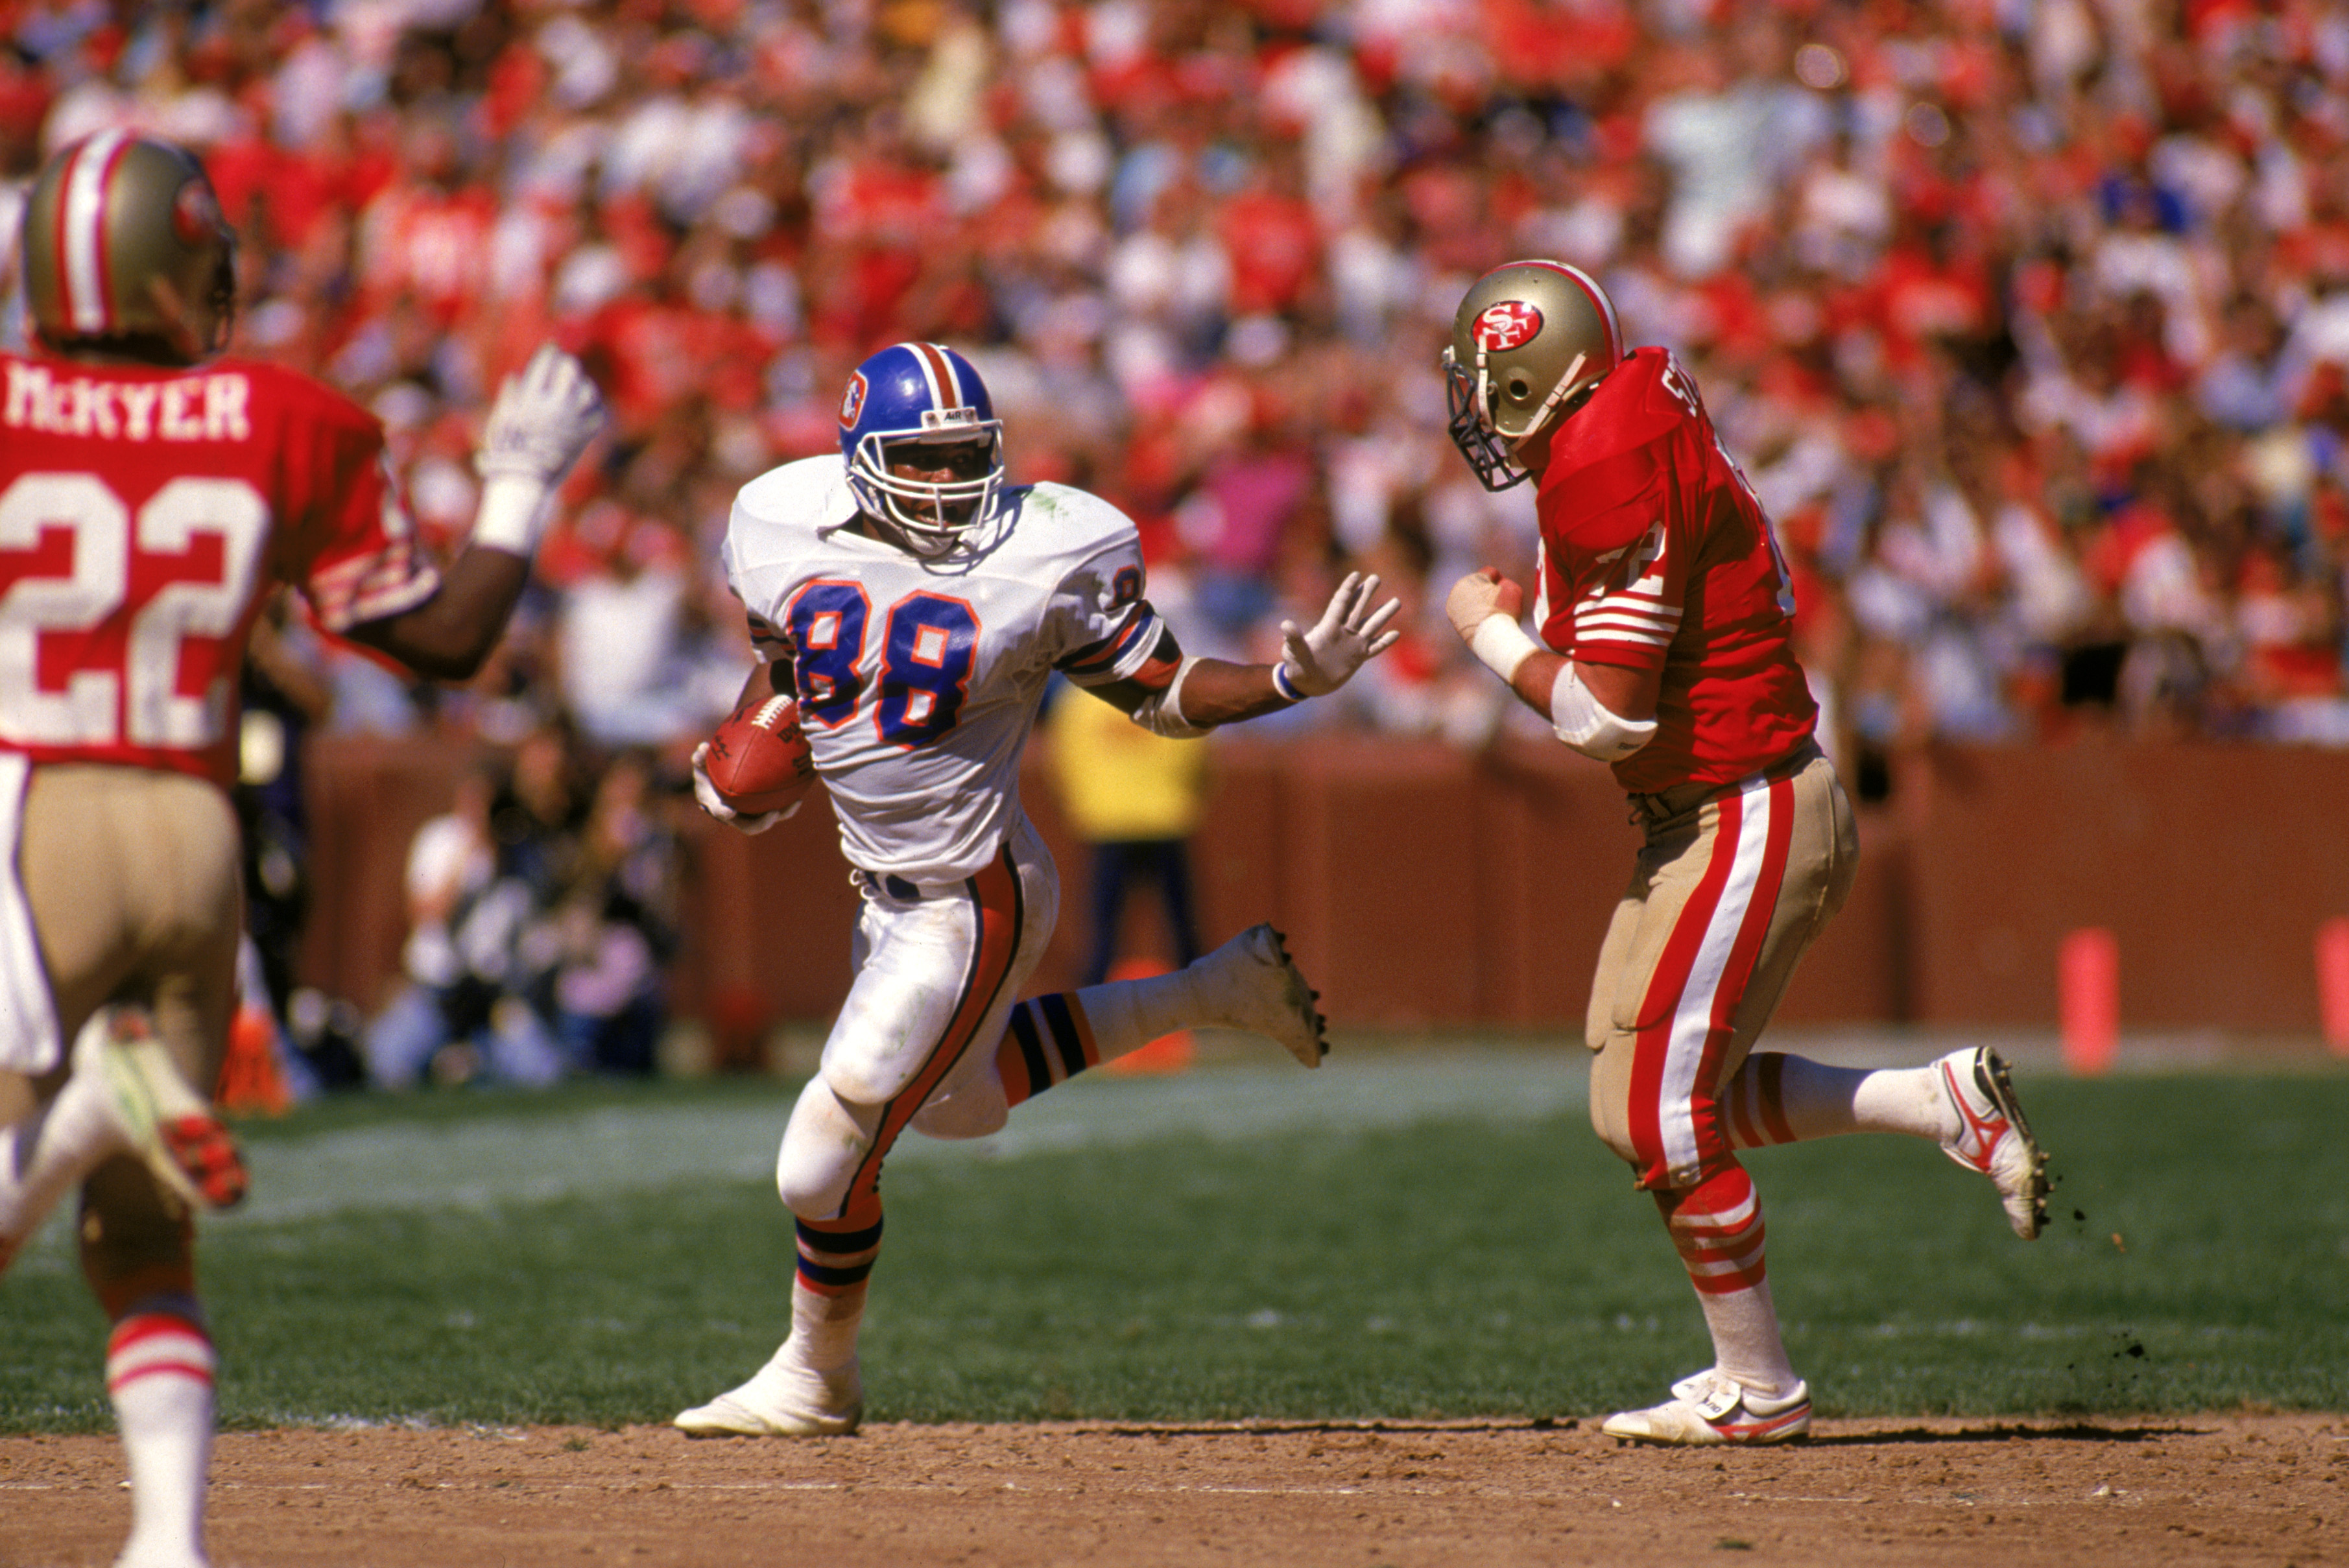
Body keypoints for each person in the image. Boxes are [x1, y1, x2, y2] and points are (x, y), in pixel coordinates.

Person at [0, 132, 604, 1568]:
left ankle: (88, 1111)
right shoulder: (281, 416)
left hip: (32, 812)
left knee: (32, 1165)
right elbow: (448, 639)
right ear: (171, 268)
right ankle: (167, 1542)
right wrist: (518, 485)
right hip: (195, 833)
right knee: (144, 1246)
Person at [676, 340, 1400, 1438]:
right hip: (885, 894)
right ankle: (1211, 990)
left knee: (823, 1150)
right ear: (861, 457)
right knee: (960, 1105)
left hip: (973, 897)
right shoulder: (779, 520)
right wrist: (757, 748)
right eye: (921, 460)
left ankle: (812, 1377)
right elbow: (792, 656)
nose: (949, 481)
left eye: (968, 455)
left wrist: (1290, 678)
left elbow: (1160, 692)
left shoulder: (1047, 547)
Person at [1436, 260, 2049, 1447]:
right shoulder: (1630, 399)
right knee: (1644, 1100)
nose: (1477, 410)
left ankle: (1759, 1388)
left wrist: (1488, 632)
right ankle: (1937, 1103)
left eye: (1492, 385)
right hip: (1711, 803)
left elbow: (1604, 716)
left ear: (1541, 376)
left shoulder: (1605, 462)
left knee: (1661, 1115)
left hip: (1743, 800)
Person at [1043, 677, 1208, 988]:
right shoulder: (1173, 693)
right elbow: (1198, 753)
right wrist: (1188, 798)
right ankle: (1204, 998)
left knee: (1103, 928)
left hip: (1107, 824)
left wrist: (1082, 807)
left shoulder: (1080, 700)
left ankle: (1093, 1001)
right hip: (1166, 818)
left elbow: (1063, 759)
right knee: (1183, 925)